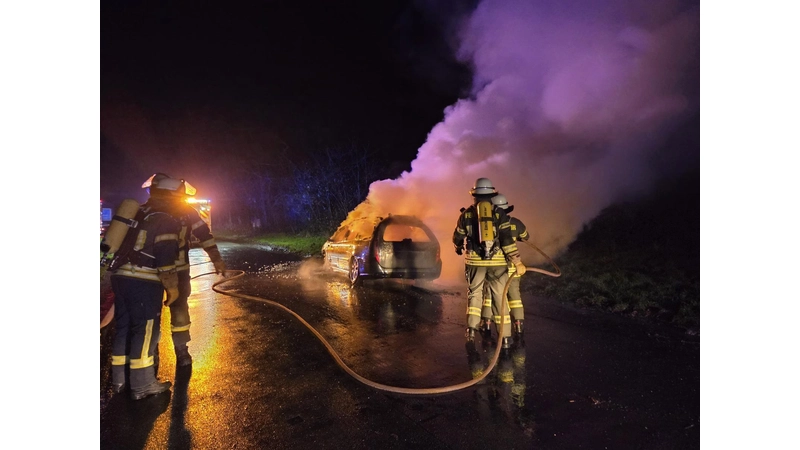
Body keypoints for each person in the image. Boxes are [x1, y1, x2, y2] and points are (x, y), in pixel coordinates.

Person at [141, 173, 228, 367]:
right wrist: (217, 260)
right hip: (177, 270)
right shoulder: (186, 211)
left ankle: (151, 354)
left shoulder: (144, 211)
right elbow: (204, 235)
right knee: (179, 309)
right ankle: (181, 352)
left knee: (150, 313)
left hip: (147, 273)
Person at [108, 179, 183, 400]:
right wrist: (172, 288)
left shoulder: (138, 213)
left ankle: (119, 381)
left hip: (121, 278)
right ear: (172, 196)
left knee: (124, 329)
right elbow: (165, 257)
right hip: (144, 282)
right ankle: (143, 385)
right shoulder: (165, 220)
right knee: (146, 330)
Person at [452, 178, 526, 349]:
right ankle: (506, 338)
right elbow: (507, 240)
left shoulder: (466, 215)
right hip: (498, 264)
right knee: (500, 299)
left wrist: (457, 246)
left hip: (474, 263)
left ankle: (471, 331)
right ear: (492, 195)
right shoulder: (500, 214)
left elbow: (458, 236)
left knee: (475, 295)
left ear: (474, 195)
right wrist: (517, 261)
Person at [479, 194, 530, 339]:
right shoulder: (516, 223)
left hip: (497, 268)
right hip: (514, 268)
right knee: (515, 297)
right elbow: (526, 236)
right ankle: (519, 326)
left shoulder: (488, 224)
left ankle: (487, 324)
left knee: (490, 296)